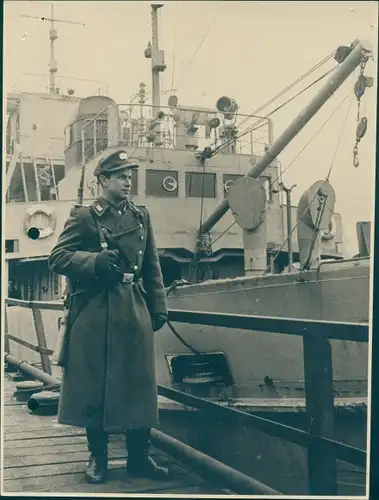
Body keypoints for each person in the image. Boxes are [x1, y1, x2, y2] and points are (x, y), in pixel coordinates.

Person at [48, 149, 169, 484]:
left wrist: (158, 307)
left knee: (139, 385)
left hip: (133, 309)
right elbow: (58, 257)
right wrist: (95, 263)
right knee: (94, 386)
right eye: (120, 176)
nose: (127, 181)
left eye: (129, 176)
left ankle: (139, 459)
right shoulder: (86, 216)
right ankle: (98, 459)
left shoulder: (141, 216)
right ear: (103, 181)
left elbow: (152, 267)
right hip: (95, 311)